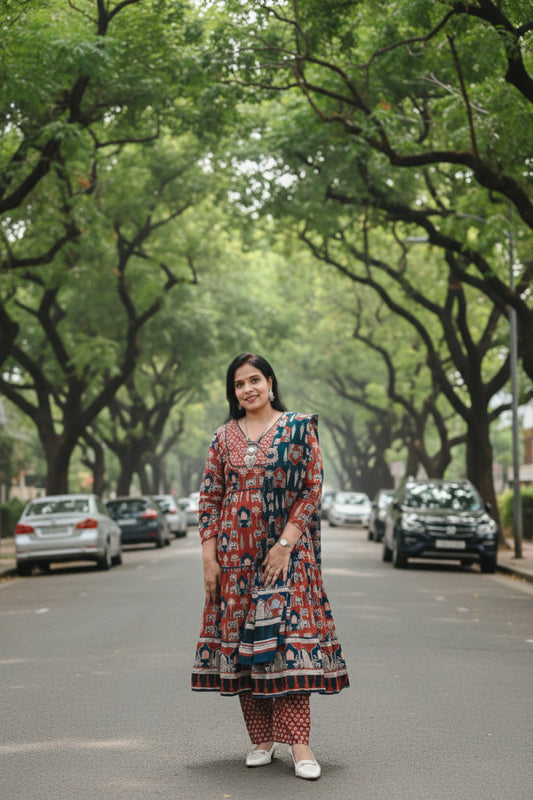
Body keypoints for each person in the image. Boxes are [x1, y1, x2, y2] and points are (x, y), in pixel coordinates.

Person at [191, 352, 349, 780]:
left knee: (289, 643)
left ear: (271, 382)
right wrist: (210, 559)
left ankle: (300, 745)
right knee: (247, 646)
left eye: (254, 380)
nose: (248, 389)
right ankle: (262, 739)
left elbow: (313, 487)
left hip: (288, 556)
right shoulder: (222, 437)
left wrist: (284, 545)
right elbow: (209, 499)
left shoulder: (299, 427)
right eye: (239, 384)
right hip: (234, 559)